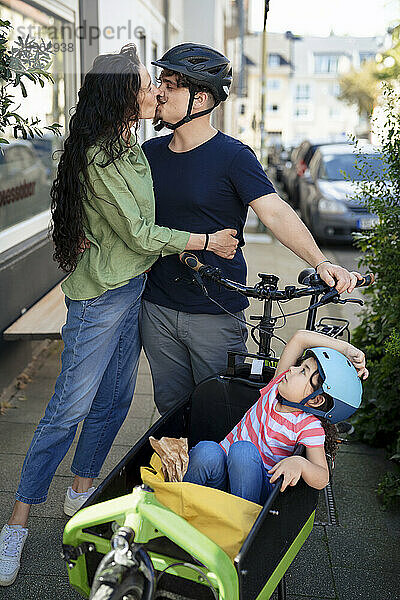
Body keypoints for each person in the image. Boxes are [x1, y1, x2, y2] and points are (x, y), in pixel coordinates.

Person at [0, 44, 238, 588]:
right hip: (102, 297)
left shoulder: (129, 145)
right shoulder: (100, 157)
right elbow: (137, 233)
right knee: (68, 409)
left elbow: (145, 215)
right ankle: (15, 522)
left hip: (134, 288)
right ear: (122, 96)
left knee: (114, 401)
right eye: (146, 83)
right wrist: (205, 240)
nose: (156, 89)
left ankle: (81, 489)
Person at [140, 43, 364, 415]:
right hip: (157, 307)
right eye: (160, 80)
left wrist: (320, 262)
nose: (159, 91)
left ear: (200, 99)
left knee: (222, 413)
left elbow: (275, 212)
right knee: (170, 412)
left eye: (170, 84)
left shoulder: (233, 156)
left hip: (214, 311)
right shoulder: (149, 154)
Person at [183, 330, 368, 504]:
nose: (292, 370)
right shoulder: (274, 388)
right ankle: (182, 503)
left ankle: (240, 525)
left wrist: (300, 463)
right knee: (207, 450)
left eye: (303, 371)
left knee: (243, 451)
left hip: (253, 490)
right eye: (299, 366)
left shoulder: (308, 426)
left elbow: (322, 478)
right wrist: (346, 349)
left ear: (316, 400)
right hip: (223, 477)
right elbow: (300, 339)